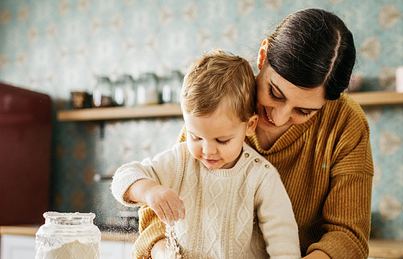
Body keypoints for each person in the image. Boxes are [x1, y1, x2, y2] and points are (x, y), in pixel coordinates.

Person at [136, 8, 374, 259]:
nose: (279, 117)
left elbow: (348, 235)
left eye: (304, 111)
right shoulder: (222, 103)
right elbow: (157, 216)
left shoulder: (346, 122)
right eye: (275, 93)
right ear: (262, 57)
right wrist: (165, 252)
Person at [111, 50, 302, 259]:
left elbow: (284, 244)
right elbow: (123, 177)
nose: (208, 150)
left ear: (250, 125)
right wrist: (148, 191)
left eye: (222, 140)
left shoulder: (260, 176)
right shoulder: (181, 160)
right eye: (196, 137)